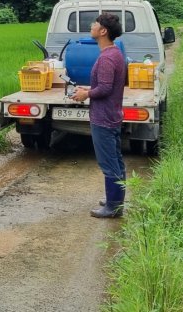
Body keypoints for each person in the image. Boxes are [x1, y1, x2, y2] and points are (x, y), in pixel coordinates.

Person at [71, 13, 127, 218]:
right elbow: (106, 86)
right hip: (112, 114)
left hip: (103, 117)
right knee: (116, 160)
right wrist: (89, 88)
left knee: (108, 163)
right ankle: (116, 200)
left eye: (95, 23)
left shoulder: (106, 58)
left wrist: (86, 93)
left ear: (103, 31)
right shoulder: (115, 54)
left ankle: (112, 207)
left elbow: (104, 88)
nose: (92, 26)